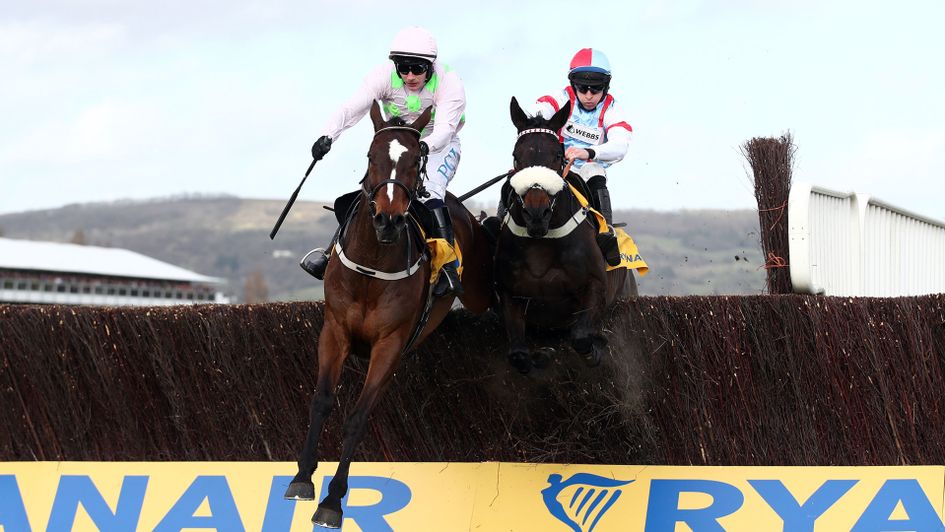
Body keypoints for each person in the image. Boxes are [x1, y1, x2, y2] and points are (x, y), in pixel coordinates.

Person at [300, 26, 465, 297]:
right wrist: (327, 135)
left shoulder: (450, 83)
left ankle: (448, 266)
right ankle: (330, 254)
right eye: (403, 68)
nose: (410, 76)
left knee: (431, 191)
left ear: (431, 66)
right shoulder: (382, 76)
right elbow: (352, 108)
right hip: (395, 144)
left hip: (437, 145)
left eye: (417, 68)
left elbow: (446, 128)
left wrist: (424, 146)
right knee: (372, 188)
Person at [532, 48, 632, 266]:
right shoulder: (561, 97)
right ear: (573, 85)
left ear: (605, 87)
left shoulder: (612, 108)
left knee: (594, 171)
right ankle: (502, 223)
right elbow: (537, 112)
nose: (588, 95)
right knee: (522, 172)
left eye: (595, 90)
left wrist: (588, 152)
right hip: (554, 166)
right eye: (582, 88)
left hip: (586, 168)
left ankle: (606, 233)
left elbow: (621, 144)